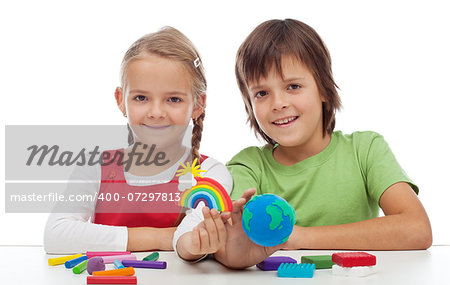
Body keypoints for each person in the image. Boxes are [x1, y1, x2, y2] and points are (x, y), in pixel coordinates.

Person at [175, 19, 432, 268]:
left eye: (293, 86)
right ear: (250, 106)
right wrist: (234, 249)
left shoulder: (365, 149)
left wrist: (299, 238)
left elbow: (416, 229)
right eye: (262, 93)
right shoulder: (248, 166)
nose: (278, 103)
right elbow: (229, 253)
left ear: (322, 89)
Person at [44, 27, 232, 254]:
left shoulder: (210, 172)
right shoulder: (95, 167)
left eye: (173, 99)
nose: (156, 112)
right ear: (121, 100)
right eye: (141, 98)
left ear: (198, 105)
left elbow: (193, 239)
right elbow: (56, 235)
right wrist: (162, 237)